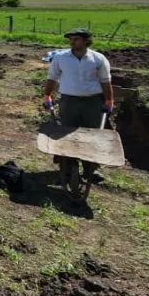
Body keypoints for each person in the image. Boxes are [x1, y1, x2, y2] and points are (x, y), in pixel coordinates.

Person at [43, 28, 113, 183]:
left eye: (76, 39)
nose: (72, 42)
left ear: (86, 41)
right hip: (69, 101)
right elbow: (52, 78)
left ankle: (91, 170)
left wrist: (109, 100)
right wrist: (47, 95)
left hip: (92, 102)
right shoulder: (61, 58)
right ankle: (67, 168)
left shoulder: (98, 59)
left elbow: (105, 81)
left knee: (92, 135)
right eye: (71, 39)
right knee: (66, 134)